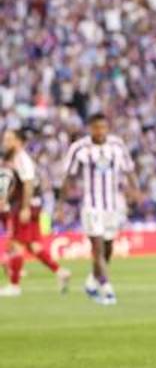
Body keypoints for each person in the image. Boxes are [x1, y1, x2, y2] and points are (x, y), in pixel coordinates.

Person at [61, 113, 139, 304]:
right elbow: (68, 177)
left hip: (113, 206)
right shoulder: (79, 148)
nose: (100, 132)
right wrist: (60, 205)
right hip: (91, 205)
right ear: (90, 129)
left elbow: (129, 170)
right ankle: (107, 288)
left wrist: (135, 190)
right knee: (97, 248)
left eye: (103, 128)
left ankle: (91, 282)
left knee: (108, 249)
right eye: (96, 128)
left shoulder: (117, 146)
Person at [0, 129, 70, 298]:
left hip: (25, 207)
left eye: (9, 139)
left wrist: (24, 207)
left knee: (16, 244)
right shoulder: (15, 159)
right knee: (33, 246)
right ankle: (60, 272)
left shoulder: (21, 158)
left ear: (19, 141)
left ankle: (14, 286)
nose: (5, 142)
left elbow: (28, 183)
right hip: (28, 205)